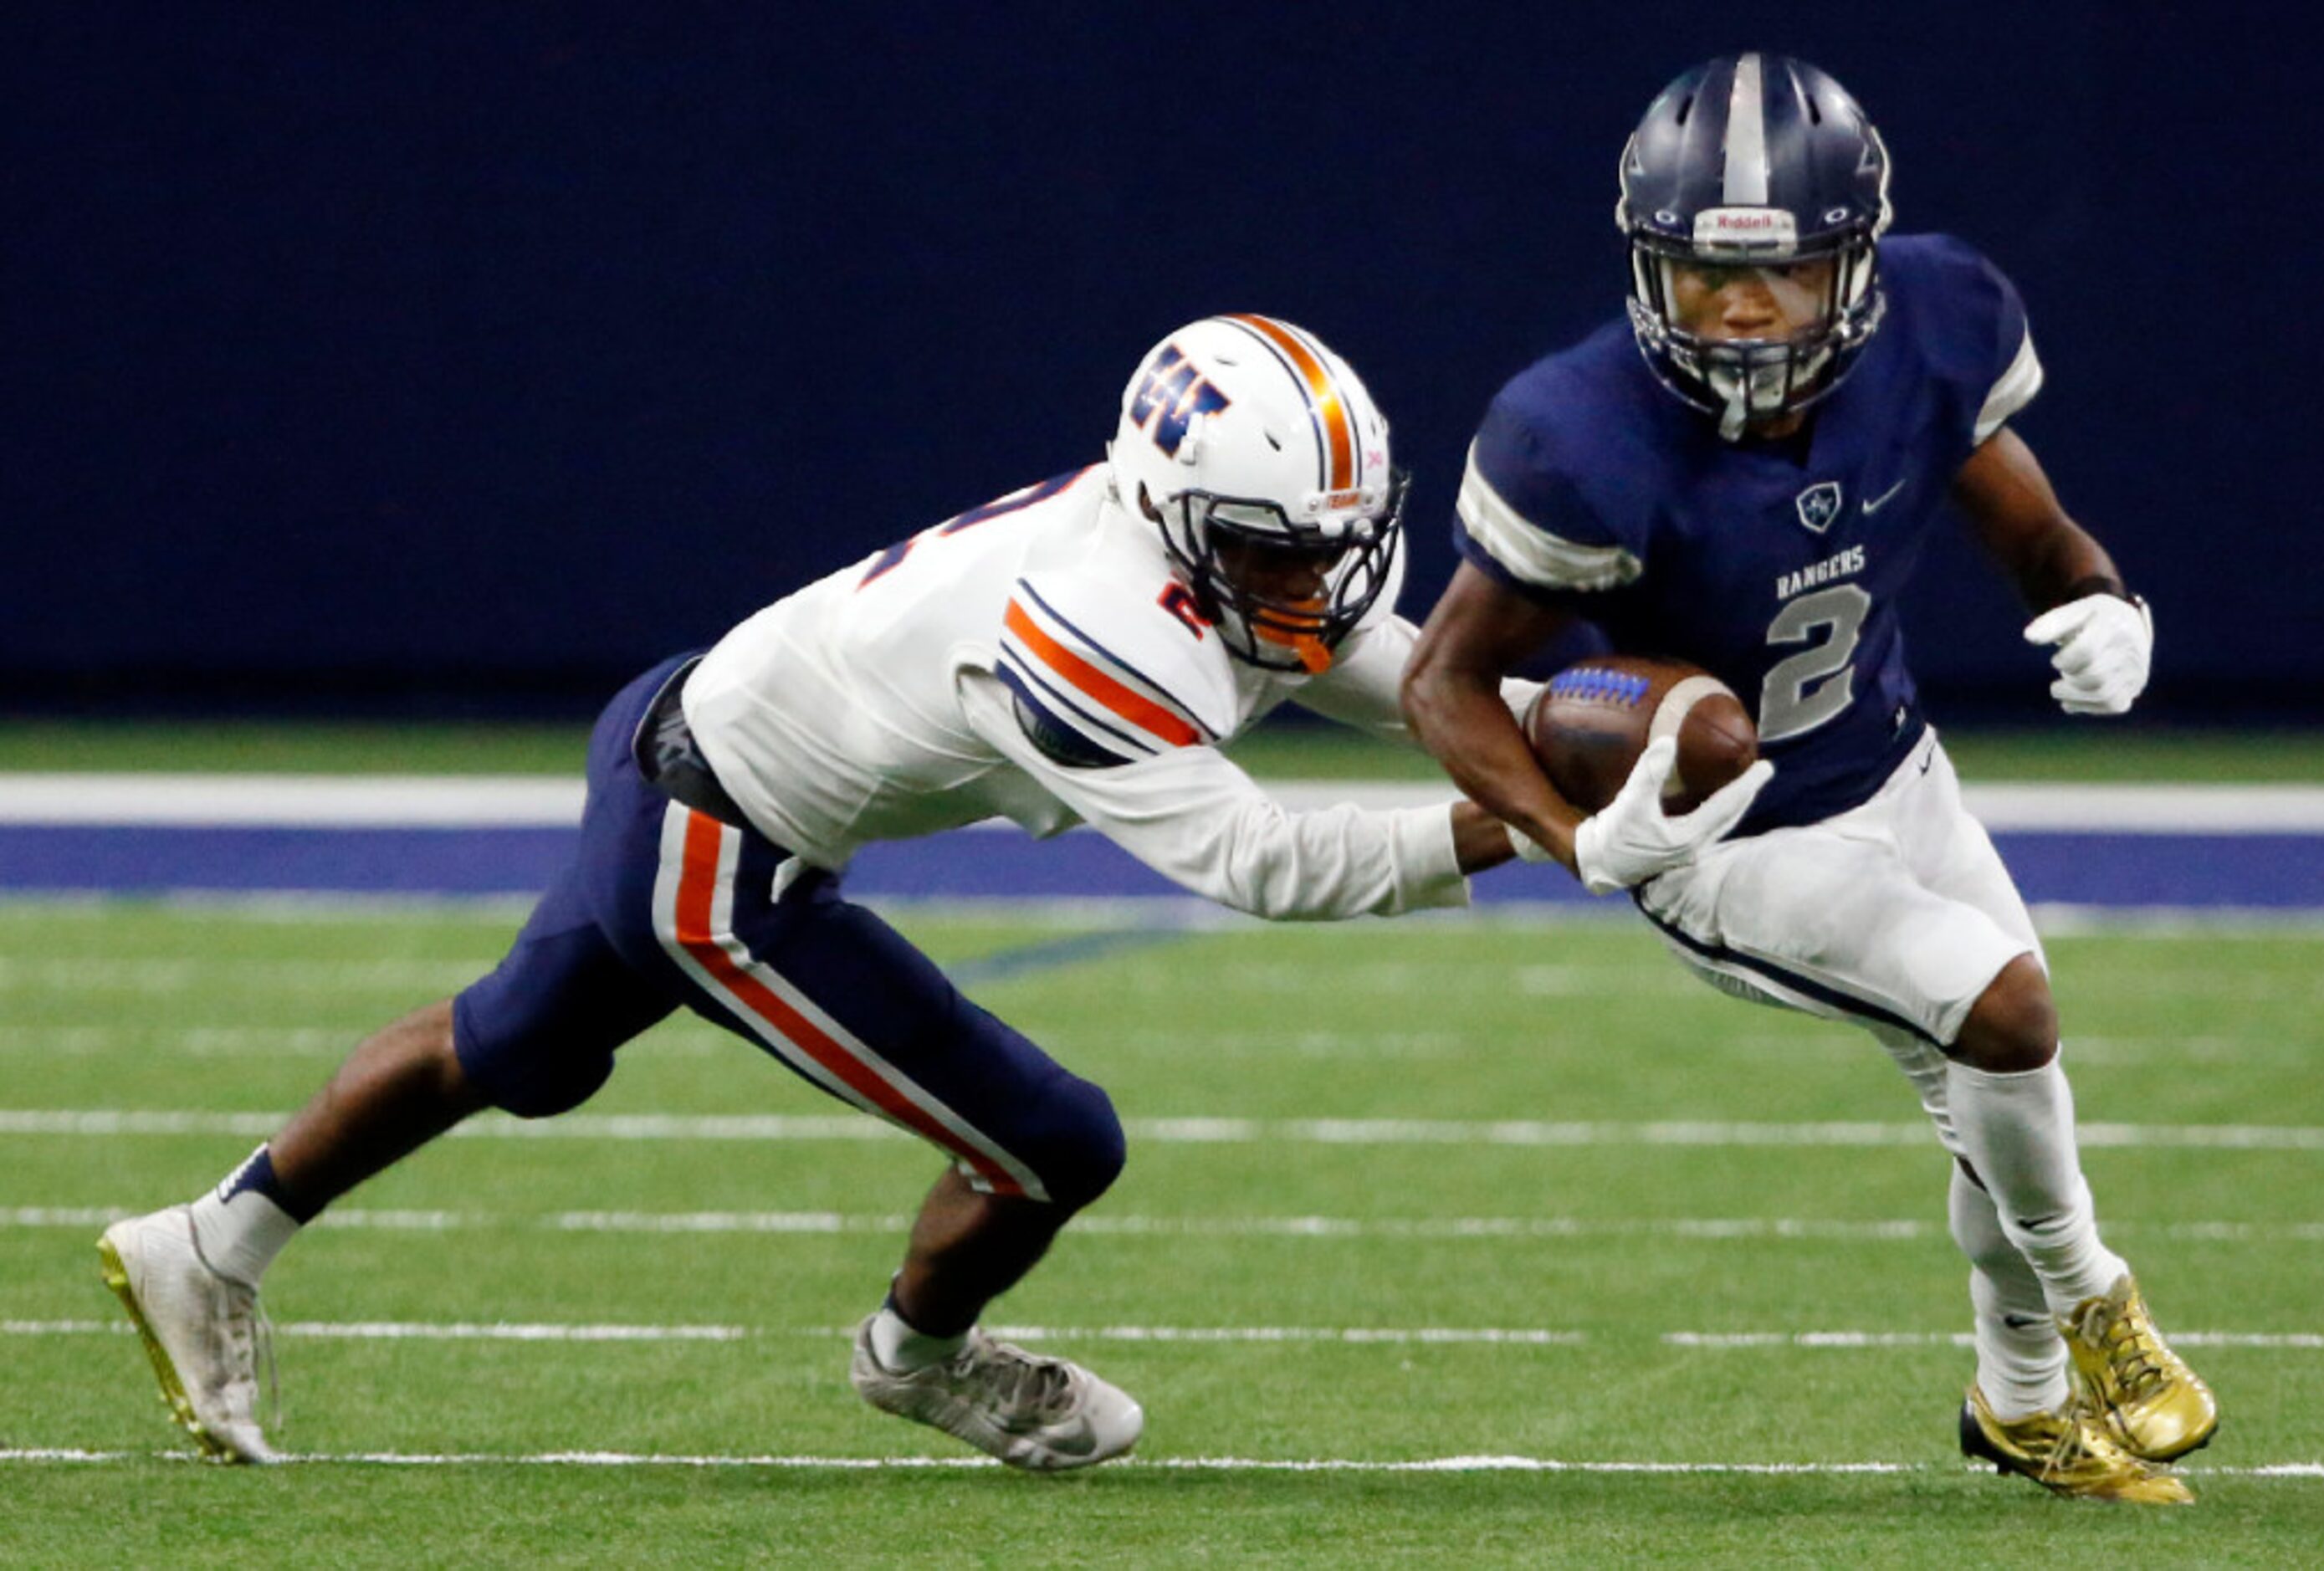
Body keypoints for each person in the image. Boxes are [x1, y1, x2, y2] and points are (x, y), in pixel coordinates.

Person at [98, 314, 1763, 1469]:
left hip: (699, 727)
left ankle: (207, 1242)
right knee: (1056, 1142)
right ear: (1183, 527)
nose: (1318, 580)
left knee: (517, 1039)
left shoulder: (1218, 552)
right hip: (720, 851)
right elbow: (1262, 860)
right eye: (1277, 554)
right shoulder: (1091, 633)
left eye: (1338, 538)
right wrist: (1536, 826)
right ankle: (922, 1359)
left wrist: (1558, 731)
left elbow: (1395, 675)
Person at [1400, 55, 2216, 1504]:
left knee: (1999, 1080)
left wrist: (2102, 596)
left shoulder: (1940, 320)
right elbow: (1444, 680)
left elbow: (2029, 524)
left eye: (1786, 271)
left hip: (1893, 763)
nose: (1745, 310)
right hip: (1729, 831)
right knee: (2006, 1012)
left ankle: (2020, 1401)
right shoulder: (1576, 432)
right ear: (1651, 264)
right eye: (1707, 276)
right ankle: (2097, 1301)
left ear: (1860, 256)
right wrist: (1575, 833)